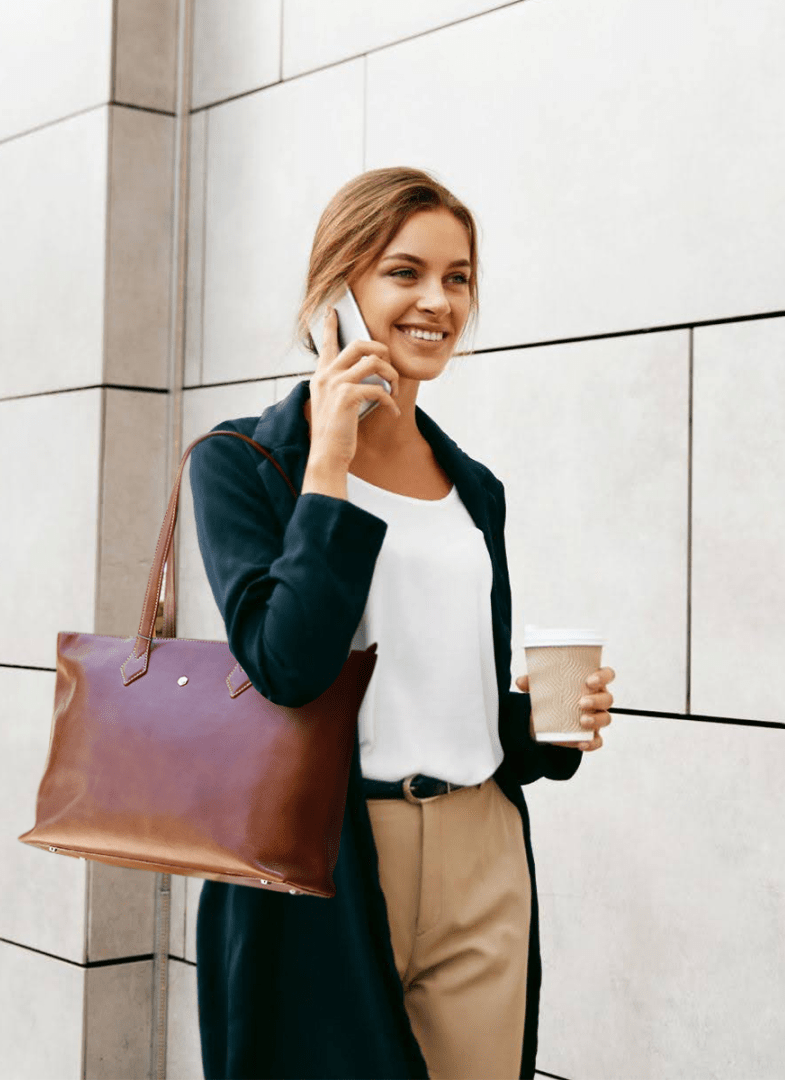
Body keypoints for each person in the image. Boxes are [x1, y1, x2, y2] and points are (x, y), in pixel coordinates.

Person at [188, 167, 616, 1080]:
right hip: (328, 863)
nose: (438, 301)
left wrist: (542, 721)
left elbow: (443, 693)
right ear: (337, 292)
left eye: (458, 277)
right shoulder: (244, 464)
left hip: (480, 849)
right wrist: (331, 457)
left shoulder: (476, 489)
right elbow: (287, 666)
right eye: (404, 272)